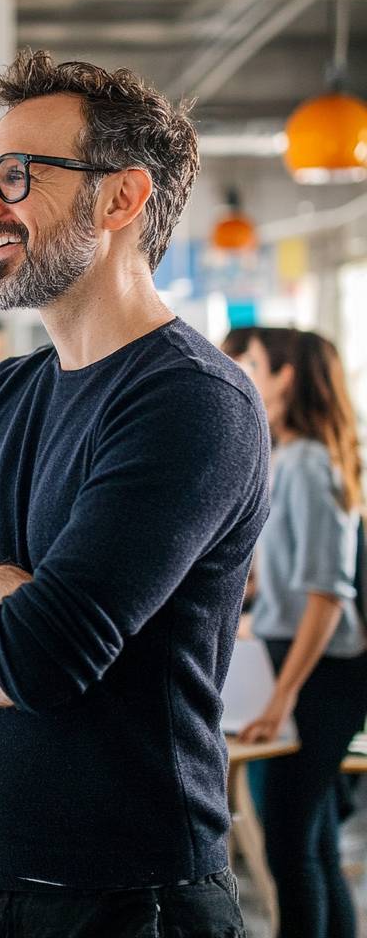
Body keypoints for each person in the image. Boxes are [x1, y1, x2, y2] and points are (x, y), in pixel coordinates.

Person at [0, 49, 270, 937]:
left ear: (120, 199)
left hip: (129, 906)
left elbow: (36, 663)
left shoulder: (192, 402)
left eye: (17, 175)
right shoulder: (6, 391)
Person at [226, 326, 367, 938]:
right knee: (308, 842)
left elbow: (326, 596)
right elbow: (280, 581)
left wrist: (282, 697)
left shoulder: (312, 462)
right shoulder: (286, 457)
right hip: (294, 660)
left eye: (254, 363)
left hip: (321, 671)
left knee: (289, 845)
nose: (244, 373)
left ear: (285, 376)